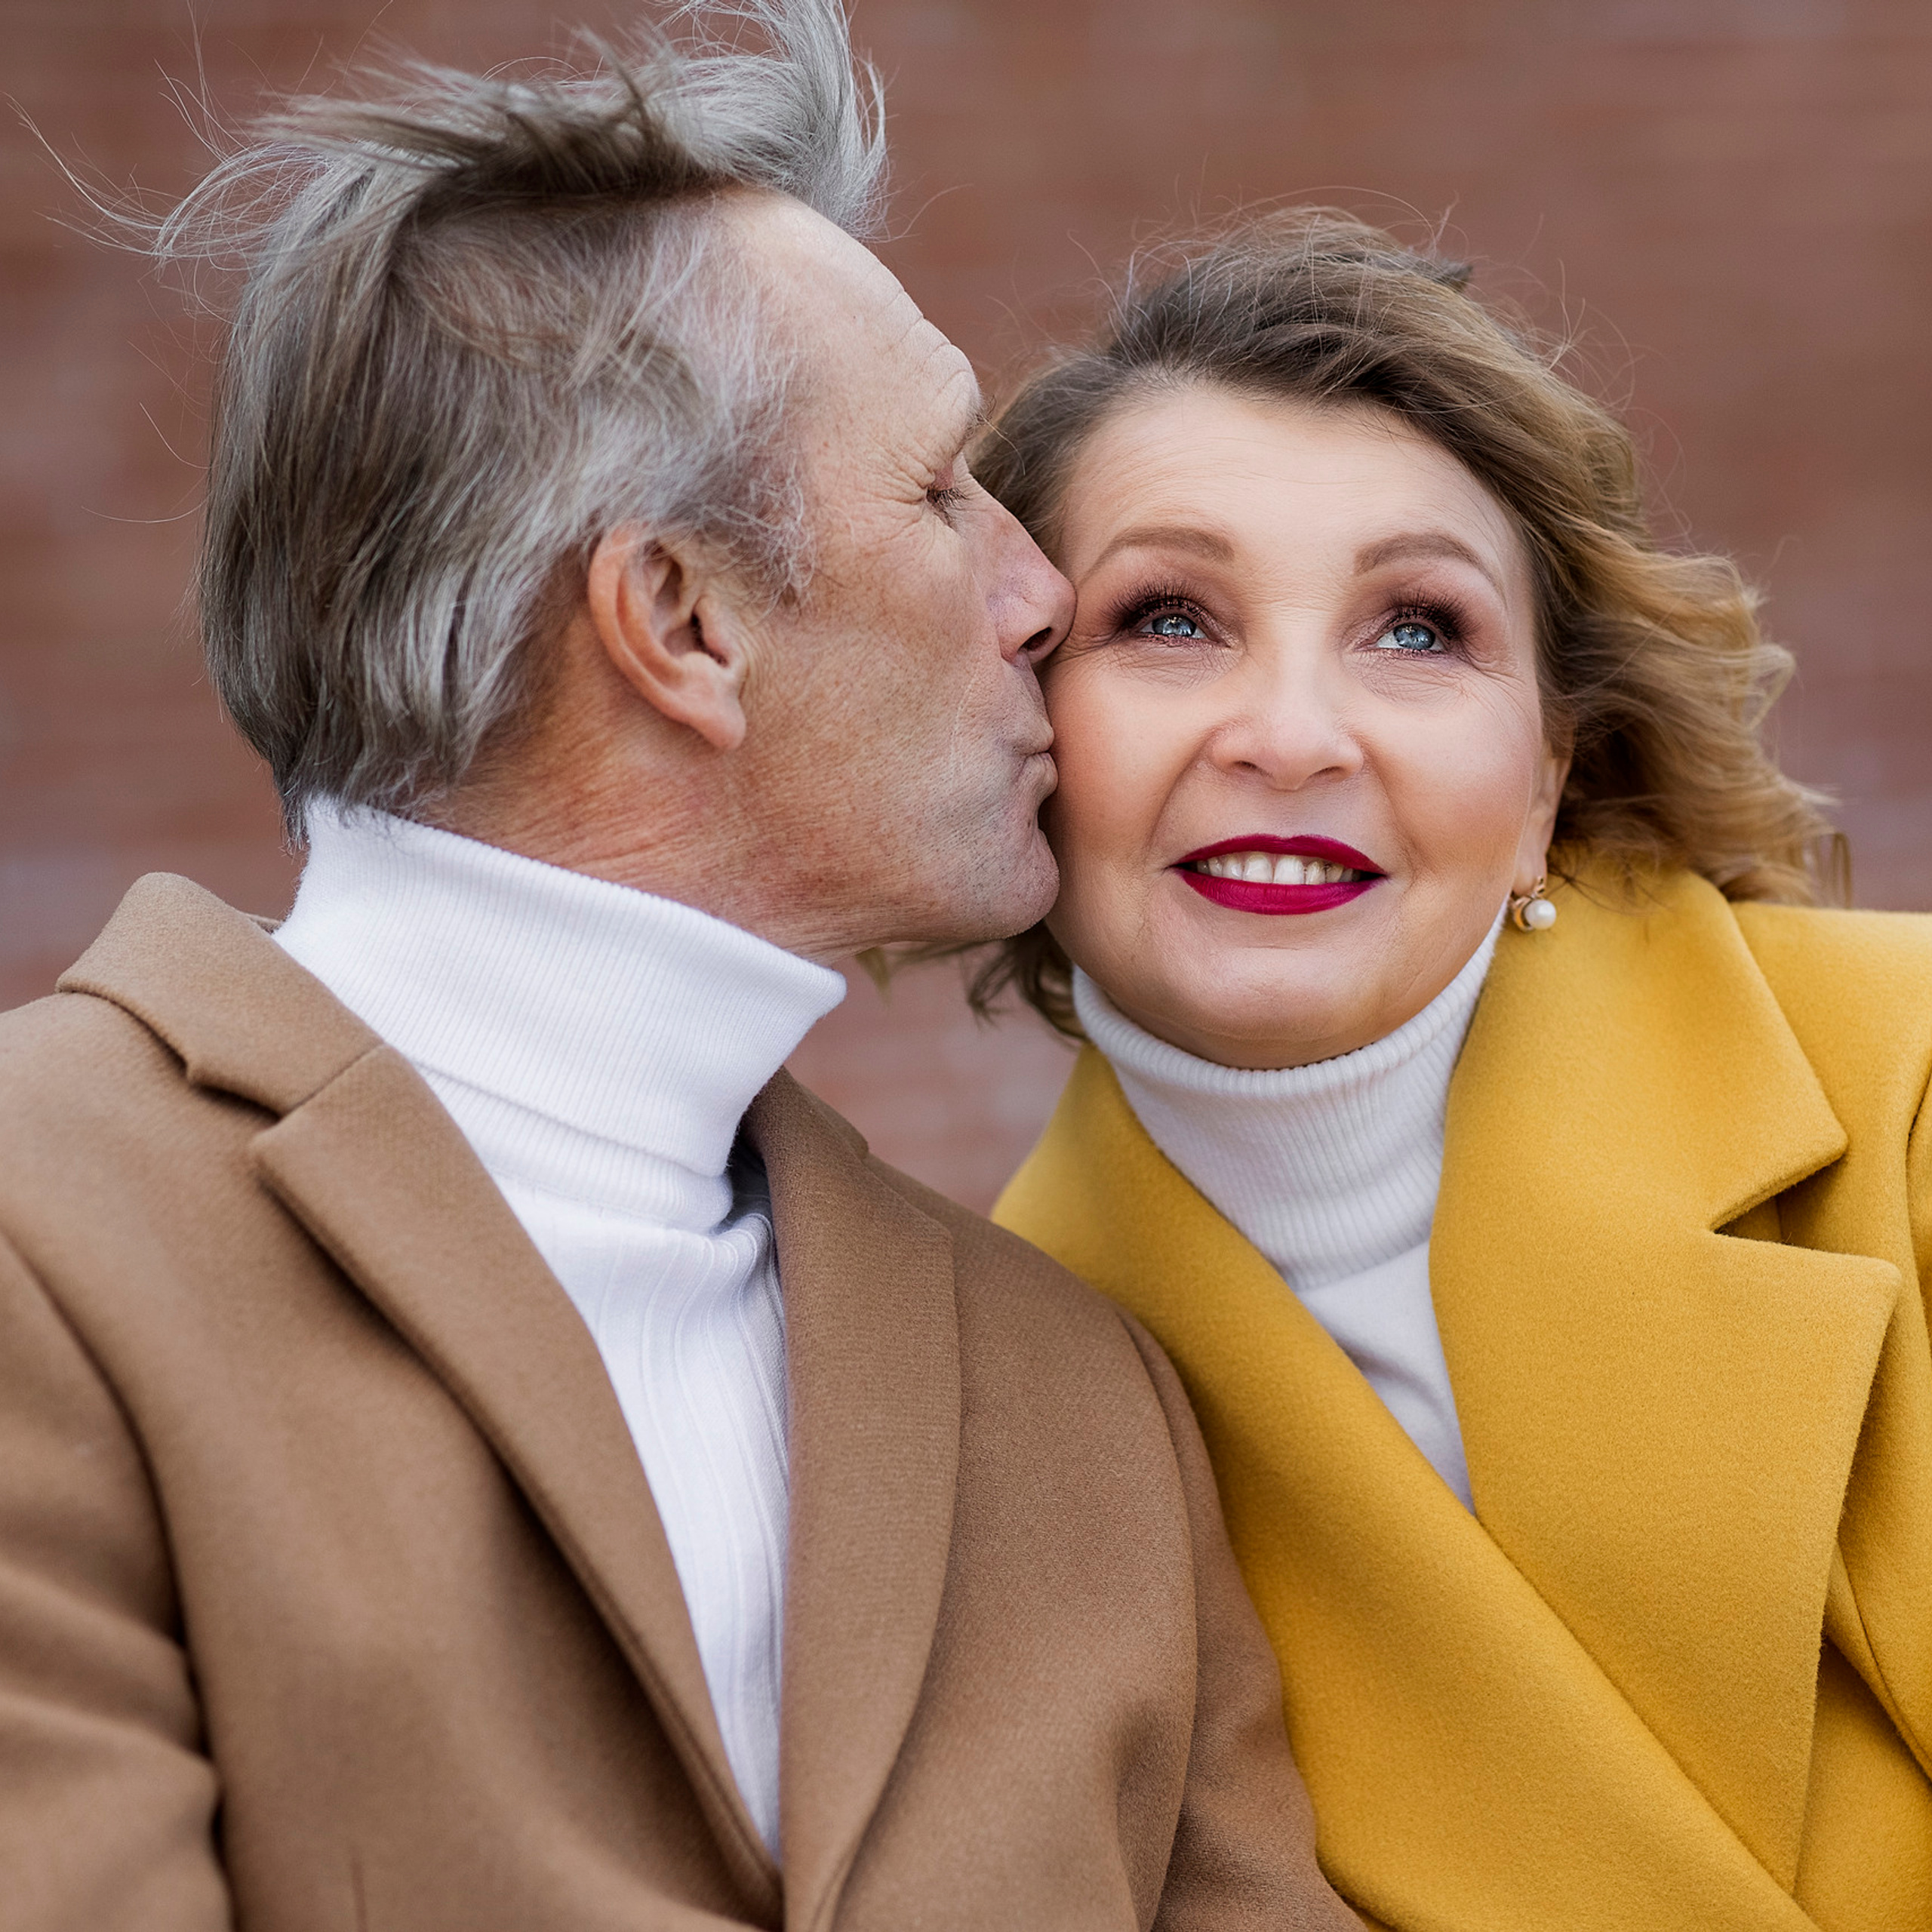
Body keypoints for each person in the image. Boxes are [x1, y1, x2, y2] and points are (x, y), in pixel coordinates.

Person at [0, 18, 1362, 1929]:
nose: (1037, 590)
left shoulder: (1082, 1403)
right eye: (938, 490)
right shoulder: (40, 1240)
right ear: (678, 620)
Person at [983, 209, 1932, 1932]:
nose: (1287, 732)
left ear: (1549, 772)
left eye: (1413, 628)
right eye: (1167, 619)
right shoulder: (973, 1408)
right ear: (1018, 730)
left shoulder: (1909, 1083)